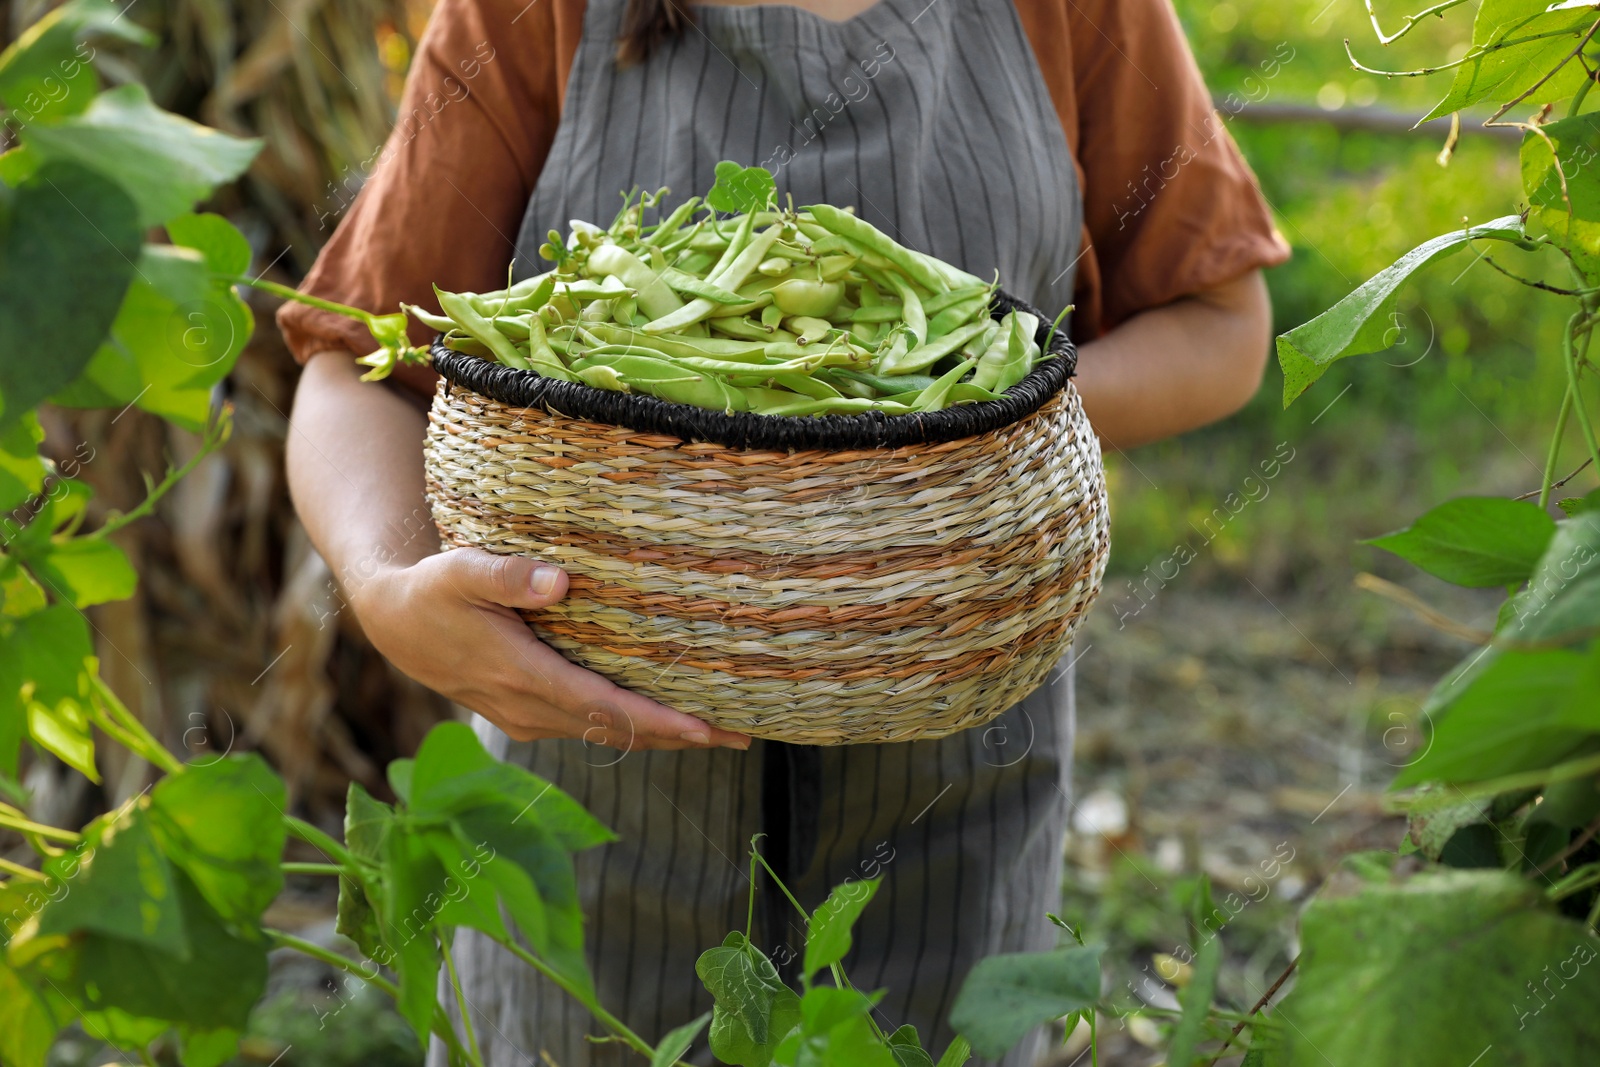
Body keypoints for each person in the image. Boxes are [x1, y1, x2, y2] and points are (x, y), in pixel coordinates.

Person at [279, 0, 1288, 1062]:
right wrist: (389, 583)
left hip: (958, 803)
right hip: (587, 820)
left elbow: (1220, 322)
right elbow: (361, 360)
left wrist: (972, 428)